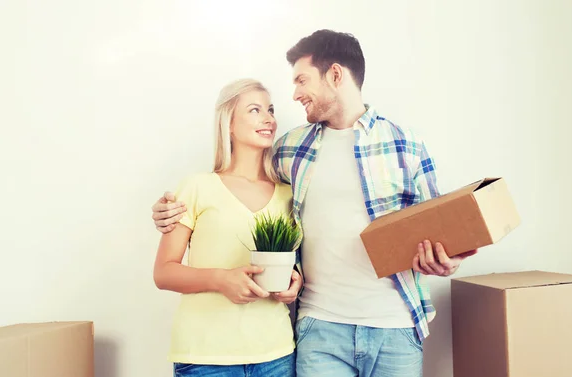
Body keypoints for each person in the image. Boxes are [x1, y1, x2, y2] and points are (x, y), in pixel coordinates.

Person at [152, 30, 476, 377]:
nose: (295, 94)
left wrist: (447, 261)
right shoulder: (290, 151)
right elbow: (235, 187)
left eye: (302, 80)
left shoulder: (406, 145)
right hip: (319, 329)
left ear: (335, 75)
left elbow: (440, 227)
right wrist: (165, 211)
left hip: (394, 324)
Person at [152, 78, 302, 377]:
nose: (269, 119)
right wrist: (222, 280)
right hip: (206, 358)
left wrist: (294, 282)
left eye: (270, 110)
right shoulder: (196, 187)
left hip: (276, 354)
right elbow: (164, 272)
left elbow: (297, 263)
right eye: (255, 110)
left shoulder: (289, 194)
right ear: (229, 124)